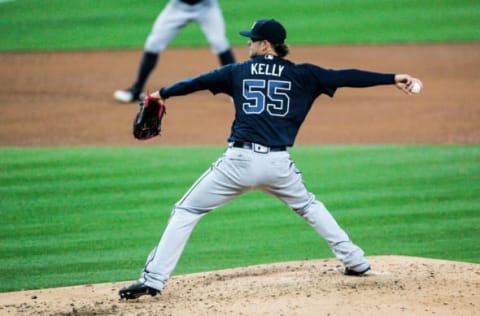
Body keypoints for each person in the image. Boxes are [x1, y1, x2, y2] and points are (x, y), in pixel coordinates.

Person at [119, 18, 423, 299]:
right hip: (279, 166)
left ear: (265, 45)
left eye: (253, 40)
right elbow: (346, 76)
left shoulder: (236, 71)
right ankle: (356, 261)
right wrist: (392, 77)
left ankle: (153, 279)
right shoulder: (305, 74)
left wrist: (161, 93)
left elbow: (196, 82)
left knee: (186, 210)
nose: (248, 45)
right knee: (308, 206)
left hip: (237, 163)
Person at [113, 0, 236, 103]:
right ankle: (136, 90)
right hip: (177, 7)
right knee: (153, 43)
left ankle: (237, 89)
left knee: (219, 42)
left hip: (207, 7)